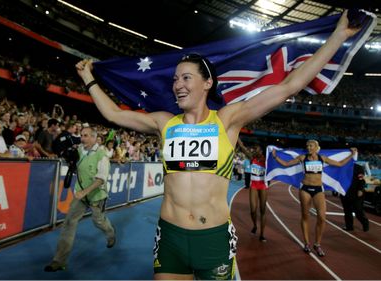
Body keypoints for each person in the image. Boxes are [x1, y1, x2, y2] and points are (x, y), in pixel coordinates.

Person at [76, 11, 360, 279]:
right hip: (170, 238)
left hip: (213, 239)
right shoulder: (164, 122)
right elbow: (113, 114)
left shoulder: (228, 119)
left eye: (186, 77)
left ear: (207, 83)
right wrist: (88, 78)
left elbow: (289, 86)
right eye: (175, 79)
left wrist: (338, 35)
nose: (178, 84)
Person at [44, 126, 116, 272]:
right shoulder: (79, 150)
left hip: (96, 196)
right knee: (69, 222)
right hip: (80, 196)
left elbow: (101, 179)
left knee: (99, 222)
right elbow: (69, 158)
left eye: (87, 136)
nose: (83, 138)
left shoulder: (102, 155)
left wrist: (84, 192)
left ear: (95, 138)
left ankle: (111, 234)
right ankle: (59, 261)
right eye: (82, 135)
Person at [272, 140, 357, 257]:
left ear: (316, 147)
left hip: (318, 189)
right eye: (307, 145)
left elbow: (340, 164)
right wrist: (276, 157)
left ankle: (317, 244)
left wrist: (352, 155)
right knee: (305, 216)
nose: (308, 147)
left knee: (322, 218)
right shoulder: (303, 157)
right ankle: (307, 243)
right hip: (305, 189)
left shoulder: (322, 158)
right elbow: (286, 164)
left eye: (311, 145)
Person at [238, 139, 268, 242]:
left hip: (263, 186)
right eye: (254, 149)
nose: (255, 150)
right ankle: (255, 225)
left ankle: (262, 234)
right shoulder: (252, 158)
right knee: (253, 210)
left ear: (262, 150)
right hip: (254, 186)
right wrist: (238, 138)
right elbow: (242, 147)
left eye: (257, 149)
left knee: (263, 210)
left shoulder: (267, 161)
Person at [340, 163, 369, 232]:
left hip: (356, 193)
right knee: (347, 211)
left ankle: (365, 223)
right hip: (345, 192)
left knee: (358, 211)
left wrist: (360, 189)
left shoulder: (359, 168)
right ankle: (349, 226)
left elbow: (362, 180)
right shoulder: (341, 167)